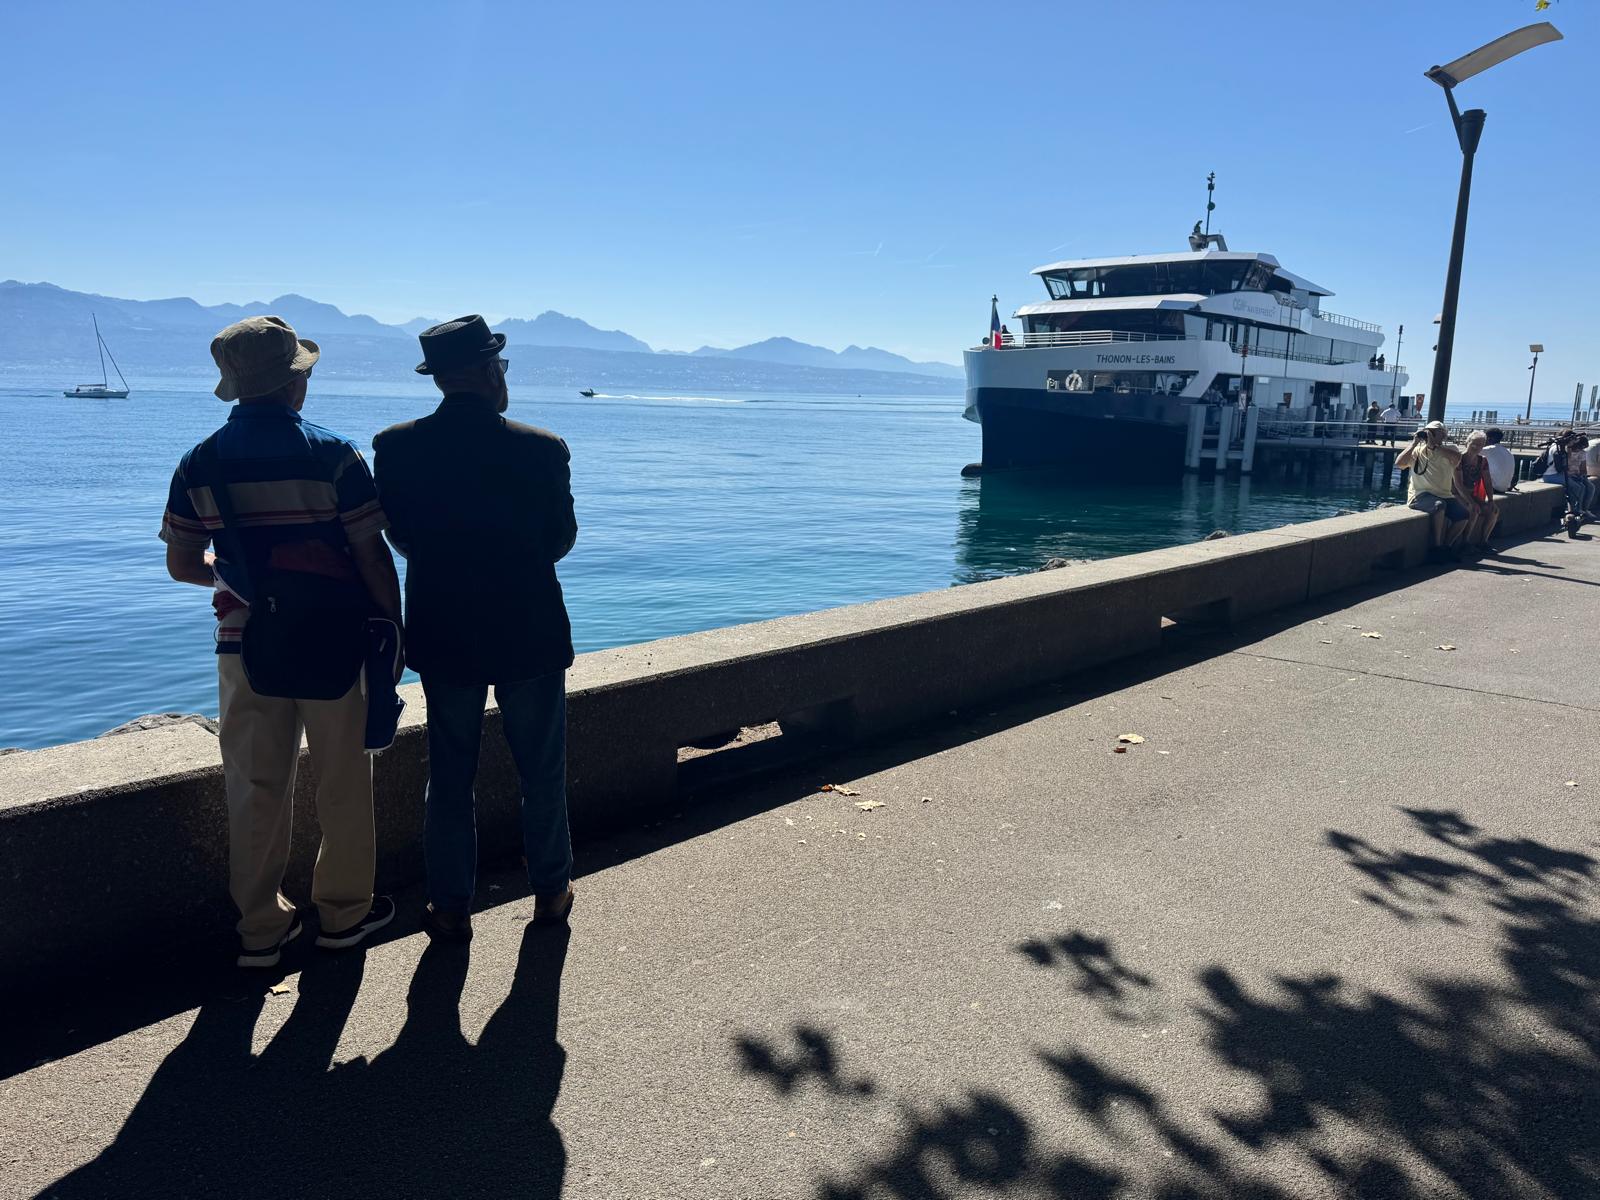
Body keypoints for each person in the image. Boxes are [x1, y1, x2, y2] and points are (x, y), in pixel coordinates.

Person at [160, 316, 400, 967]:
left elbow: (182, 565)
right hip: (335, 643)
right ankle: (344, 915)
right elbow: (372, 556)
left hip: (246, 645)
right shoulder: (334, 455)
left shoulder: (200, 462)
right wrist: (392, 631)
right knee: (343, 782)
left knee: (255, 785)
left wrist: (238, 577)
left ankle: (261, 929)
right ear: (296, 384)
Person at [372, 316, 578, 942]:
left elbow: (400, 536)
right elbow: (560, 540)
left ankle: (450, 907)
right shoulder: (543, 448)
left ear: (439, 379)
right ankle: (552, 893)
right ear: (491, 372)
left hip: (445, 632)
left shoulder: (396, 447)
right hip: (531, 632)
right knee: (541, 770)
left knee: (450, 775)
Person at [1397, 420, 1468, 560]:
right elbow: (1399, 464)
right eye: (1430, 432)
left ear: (1444, 435)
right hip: (1420, 495)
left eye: (1436, 432)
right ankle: (1437, 547)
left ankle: (1447, 547)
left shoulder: (1451, 449)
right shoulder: (1417, 451)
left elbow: (1457, 458)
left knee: (1463, 514)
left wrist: (1435, 446)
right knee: (1439, 506)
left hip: (1445, 495)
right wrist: (1414, 443)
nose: (1431, 435)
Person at [1454, 431, 1500, 552]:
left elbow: (1487, 482)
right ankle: (1464, 542)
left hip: (1471, 494)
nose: (1476, 447)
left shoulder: (1482, 461)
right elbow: (1458, 485)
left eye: (1480, 445)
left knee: (1493, 511)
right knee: (1473, 509)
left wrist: (1491, 500)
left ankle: (1483, 542)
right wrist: (1471, 502)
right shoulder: (1458, 459)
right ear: (1467, 442)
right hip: (1456, 494)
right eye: (1473, 444)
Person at [1482, 427, 1517, 494]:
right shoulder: (1509, 452)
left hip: (1492, 488)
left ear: (1489, 438)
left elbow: (1469, 454)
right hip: (1504, 488)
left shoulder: (1489, 449)